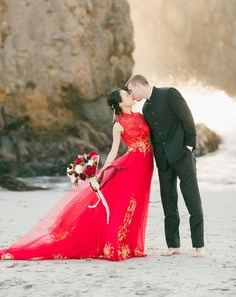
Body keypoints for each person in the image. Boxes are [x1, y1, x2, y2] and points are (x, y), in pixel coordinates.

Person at [0, 89, 153, 261]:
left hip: (146, 164)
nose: (130, 95)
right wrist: (102, 172)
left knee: (137, 203)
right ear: (119, 104)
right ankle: (116, 245)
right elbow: (113, 152)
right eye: (126, 95)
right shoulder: (118, 125)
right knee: (127, 203)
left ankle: (130, 246)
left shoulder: (140, 115)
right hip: (132, 165)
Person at [126, 75, 205, 258]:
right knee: (168, 202)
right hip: (163, 161)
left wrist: (189, 147)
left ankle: (199, 245)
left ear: (139, 85)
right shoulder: (145, 107)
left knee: (192, 200)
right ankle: (173, 245)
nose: (131, 94)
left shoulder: (169, 94)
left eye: (131, 90)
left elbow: (187, 119)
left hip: (182, 156)